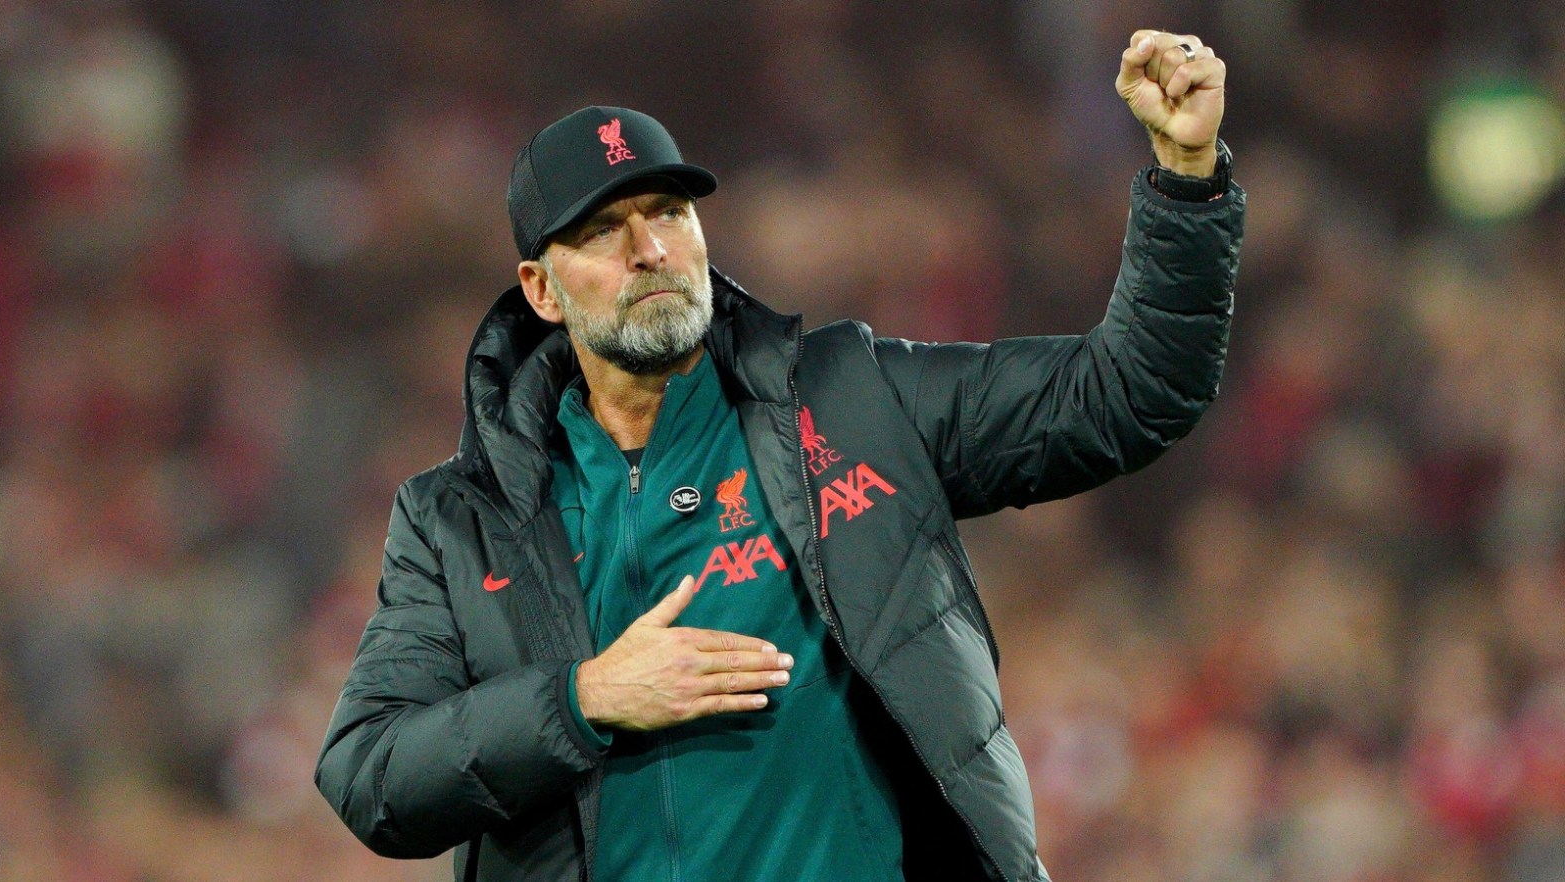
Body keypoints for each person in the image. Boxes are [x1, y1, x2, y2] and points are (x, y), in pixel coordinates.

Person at [316, 29, 1243, 882]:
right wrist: (583, 698)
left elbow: (1128, 391)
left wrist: (1186, 180)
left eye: (669, 212)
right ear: (541, 289)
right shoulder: (458, 521)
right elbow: (369, 775)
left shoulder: (852, 401)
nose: (650, 249)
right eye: (602, 230)